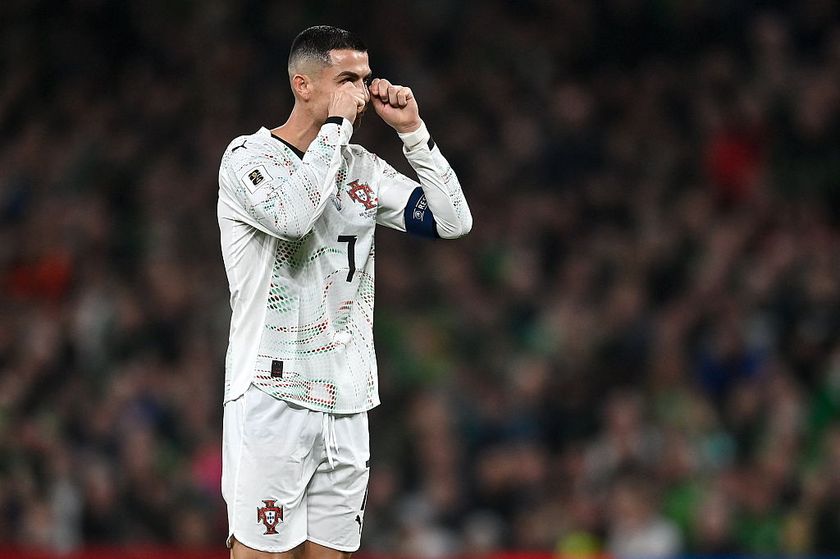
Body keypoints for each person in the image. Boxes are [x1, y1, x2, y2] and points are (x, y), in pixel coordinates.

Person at [217, 25, 472, 558]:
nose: (361, 91)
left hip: (348, 398)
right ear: (303, 84)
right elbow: (292, 216)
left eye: (364, 78)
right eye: (346, 80)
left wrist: (414, 133)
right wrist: (336, 127)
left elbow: (453, 220)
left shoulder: (362, 170)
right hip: (272, 391)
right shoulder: (247, 160)